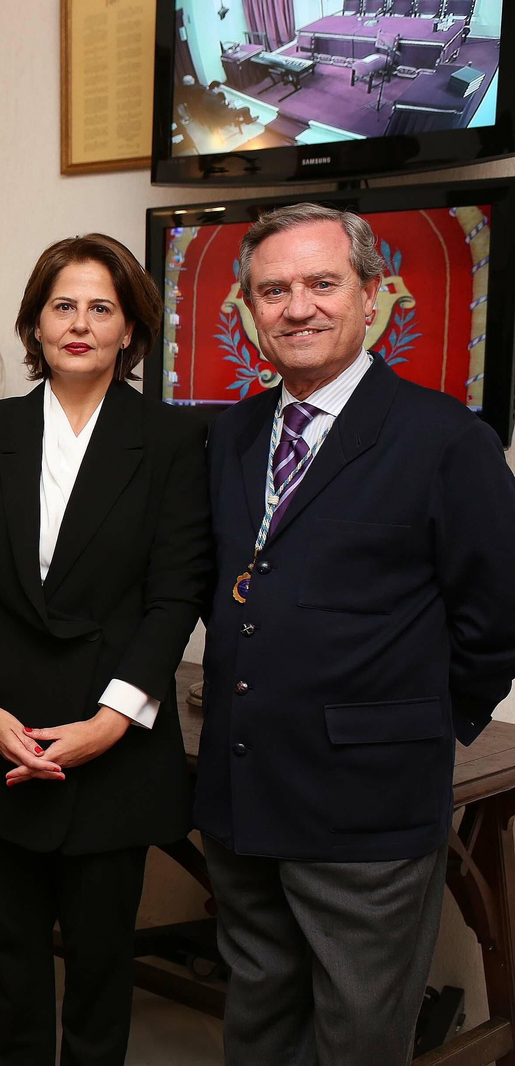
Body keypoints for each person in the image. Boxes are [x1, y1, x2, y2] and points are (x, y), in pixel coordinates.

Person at [194, 203, 515, 1065]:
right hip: (241, 788)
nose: (297, 307)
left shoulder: (448, 438)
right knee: (257, 1016)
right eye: (273, 290)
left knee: (359, 1034)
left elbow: (496, 619)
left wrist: (423, 727)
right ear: (250, 309)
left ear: (372, 296)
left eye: (322, 283)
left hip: (369, 802)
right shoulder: (232, 434)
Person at [0, 233, 212, 1066]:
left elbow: (174, 596)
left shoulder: (171, 442)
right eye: (63, 305)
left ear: (131, 330)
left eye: (101, 307)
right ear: (35, 325)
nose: (80, 323)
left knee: (99, 966)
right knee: (9, 960)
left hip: (111, 740)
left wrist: (111, 722)